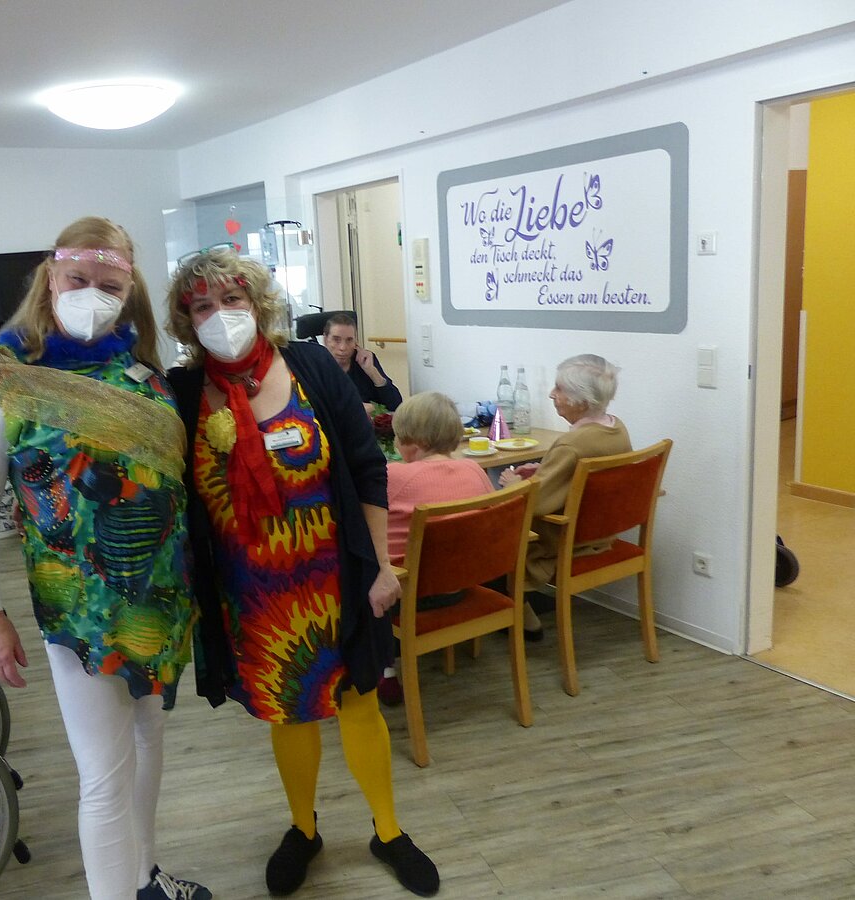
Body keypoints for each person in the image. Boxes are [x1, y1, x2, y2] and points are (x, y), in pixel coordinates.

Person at [165, 247, 439, 898]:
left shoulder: (311, 364)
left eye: (233, 300)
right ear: (186, 319)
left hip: (338, 579)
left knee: (359, 702)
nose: (221, 314)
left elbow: (368, 467)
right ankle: (303, 828)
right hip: (253, 598)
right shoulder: (181, 394)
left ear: (257, 303)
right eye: (203, 305)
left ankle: (389, 830)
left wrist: (380, 566)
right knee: (289, 715)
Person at [0, 217, 209, 900]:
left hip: (159, 602)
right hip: (81, 611)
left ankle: (146, 878)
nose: (93, 293)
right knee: (104, 775)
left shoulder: (142, 371)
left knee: (150, 744)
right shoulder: (7, 376)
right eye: (78, 280)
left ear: (129, 290)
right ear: (50, 278)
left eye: (110, 284)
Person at [379, 392, 496, 705]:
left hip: (403, 598)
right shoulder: (475, 471)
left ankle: (383, 668)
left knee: (359, 567)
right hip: (459, 587)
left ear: (412, 443)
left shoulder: (394, 476)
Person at [499, 354, 632, 629]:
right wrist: (543, 469)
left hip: (567, 540)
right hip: (602, 533)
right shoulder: (617, 428)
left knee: (494, 523)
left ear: (580, 400)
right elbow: (579, 479)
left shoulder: (571, 444)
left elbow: (533, 502)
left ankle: (520, 615)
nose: (551, 394)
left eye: (558, 388)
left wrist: (512, 482)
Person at [322, 312, 403, 414]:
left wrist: (372, 372)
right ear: (325, 340)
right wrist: (356, 408)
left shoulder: (365, 359)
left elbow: (396, 405)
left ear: (356, 342)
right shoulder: (316, 366)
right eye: (336, 340)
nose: (343, 347)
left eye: (349, 340)